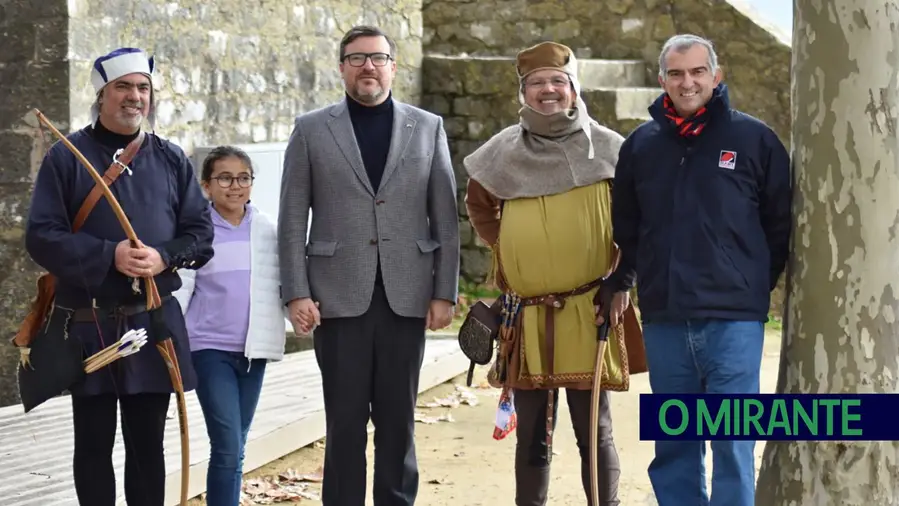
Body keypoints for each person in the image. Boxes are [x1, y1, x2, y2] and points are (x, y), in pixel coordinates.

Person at [278, 25, 460, 506]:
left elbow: (445, 216)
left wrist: (445, 291)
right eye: (356, 59)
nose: (368, 67)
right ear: (341, 68)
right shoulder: (312, 129)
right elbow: (293, 216)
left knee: (399, 421)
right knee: (343, 421)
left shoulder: (428, 127)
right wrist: (295, 291)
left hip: (408, 295)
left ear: (393, 67)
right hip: (337, 297)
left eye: (378, 58)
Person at [23, 47, 214, 505]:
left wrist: (163, 257)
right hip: (89, 326)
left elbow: (200, 234)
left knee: (148, 446)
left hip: (151, 323)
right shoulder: (66, 157)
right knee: (92, 446)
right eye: (123, 87)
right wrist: (110, 255)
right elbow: (41, 237)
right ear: (102, 95)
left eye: (142, 88)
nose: (135, 97)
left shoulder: (170, 159)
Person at [609, 34, 792, 506]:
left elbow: (779, 223)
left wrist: (751, 285)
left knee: (732, 441)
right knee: (675, 443)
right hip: (666, 318)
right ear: (661, 80)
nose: (687, 82)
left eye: (697, 72)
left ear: (716, 74)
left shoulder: (755, 139)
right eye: (676, 73)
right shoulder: (640, 146)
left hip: (734, 319)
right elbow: (627, 227)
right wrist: (640, 279)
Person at [463, 41, 646, 506]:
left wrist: (621, 278)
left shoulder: (609, 148)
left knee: (594, 429)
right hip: (525, 315)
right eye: (537, 83)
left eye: (558, 82)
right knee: (533, 436)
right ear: (523, 93)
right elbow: (479, 205)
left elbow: (639, 219)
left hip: (590, 309)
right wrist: (511, 246)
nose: (548, 91)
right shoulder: (499, 153)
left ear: (573, 89)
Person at [172, 145, 286, 506]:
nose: (234, 186)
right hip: (208, 349)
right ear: (206, 185)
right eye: (224, 178)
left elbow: (281, 285)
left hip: (254, 352)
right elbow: (181, 290)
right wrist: (170, 341)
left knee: (237, 442)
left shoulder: (268, 229)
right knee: (226, 443)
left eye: (243, 178)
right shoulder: (197, 232)